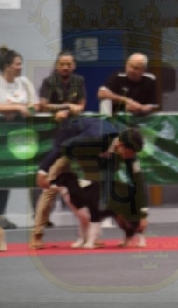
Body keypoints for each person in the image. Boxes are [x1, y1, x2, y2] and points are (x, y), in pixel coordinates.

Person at [34, 116, 148, 249]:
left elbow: (138, 180)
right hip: (68, 144)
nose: (132, 156)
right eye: (131, 152)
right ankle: (37, 235)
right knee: (50, 186)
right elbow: (61, 147)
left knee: (95, 190)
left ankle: (91, 235)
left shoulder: (129, 153)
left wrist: (142, 213)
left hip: (91, 154)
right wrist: (43, 171)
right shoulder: (95, 137)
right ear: (120, 145)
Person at [29, 50, 87, 248]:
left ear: (74, 66)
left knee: (88, 188)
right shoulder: (49, 82)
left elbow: (81, 106)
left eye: (69, 64)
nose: (65, 67)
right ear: (57, 65)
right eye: (62, 64)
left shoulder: (79, 81)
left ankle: (90, 234)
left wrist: (67, 108)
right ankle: (37, 234)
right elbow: (43, 105)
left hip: (78, 145)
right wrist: (63, 109)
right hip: (57, 145)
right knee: (50, 189)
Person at [0, 46, 35, 230]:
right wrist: (16, 107)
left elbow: (34, 105)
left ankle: (2, 216)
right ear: (7, 66)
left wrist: (22, 109)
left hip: (19, 138)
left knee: (10, 176)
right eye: (17, 64)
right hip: (1, 136)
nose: (20, 67)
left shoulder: (24, 82)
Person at [97, 52, 159, 117]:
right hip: (116, 116)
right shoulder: (118, 76)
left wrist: (139, 108)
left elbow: (152, 106)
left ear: (143, 70)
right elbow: (101, 93)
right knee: (105, 100)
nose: (131, 70)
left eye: (136, 68)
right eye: (130, 66)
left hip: (140, 117)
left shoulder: (150, 79)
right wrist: (126, 100)